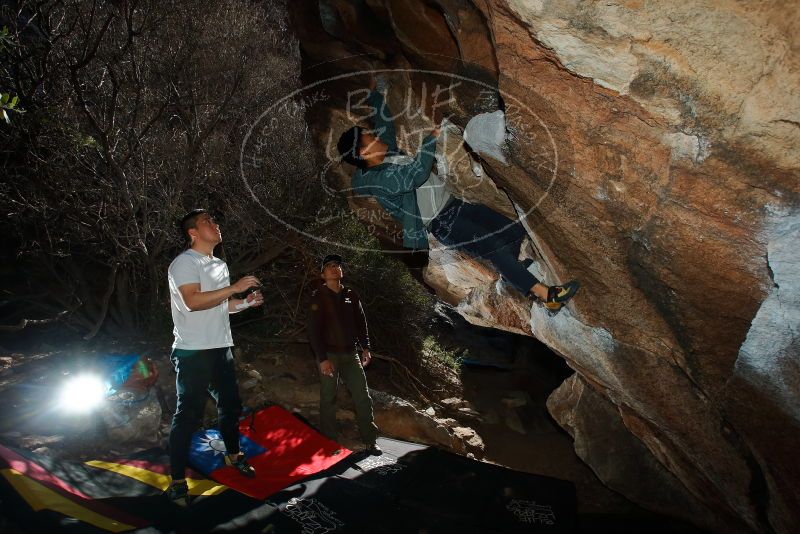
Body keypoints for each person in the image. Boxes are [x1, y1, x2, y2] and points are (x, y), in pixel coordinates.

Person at [337, 80, 579, 312]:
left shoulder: (385, 152)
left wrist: (374, 96)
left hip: (457, 205)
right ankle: (548, 297)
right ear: (363, 150)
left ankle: (513, 274)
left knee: (513, 230)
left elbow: (385, 127)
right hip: (443, 224)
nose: (374, 135)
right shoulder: (380, 181)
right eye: (368, 136)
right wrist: (430, 138)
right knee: (493, 247)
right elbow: (415, 174)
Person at [164, 208, 264, 506]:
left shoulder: (219, 264)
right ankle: (178, 481)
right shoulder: (183, 263)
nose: (216, 225)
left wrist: (243, 303)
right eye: (208, 221)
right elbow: (193, 301)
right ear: (193, 232)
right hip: (192, 350)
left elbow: (220, 306)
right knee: (187, 416)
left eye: (215, 221)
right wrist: (233, 289)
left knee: (230, 406)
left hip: (221, 347)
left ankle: (233, 456)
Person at [306, 254, 380, 454]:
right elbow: (313, 331)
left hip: (351, 355)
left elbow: (361, 323)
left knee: (362, 396)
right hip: (329, 355)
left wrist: (366, 347)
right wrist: (322, 359)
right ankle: (330, 442)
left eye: (337, 265)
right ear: (323, 275)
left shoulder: (351, 294)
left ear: (342, 271)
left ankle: (370, 440)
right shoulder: (317, 296)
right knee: (329, 397)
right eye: (329, 266)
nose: (334, 268)